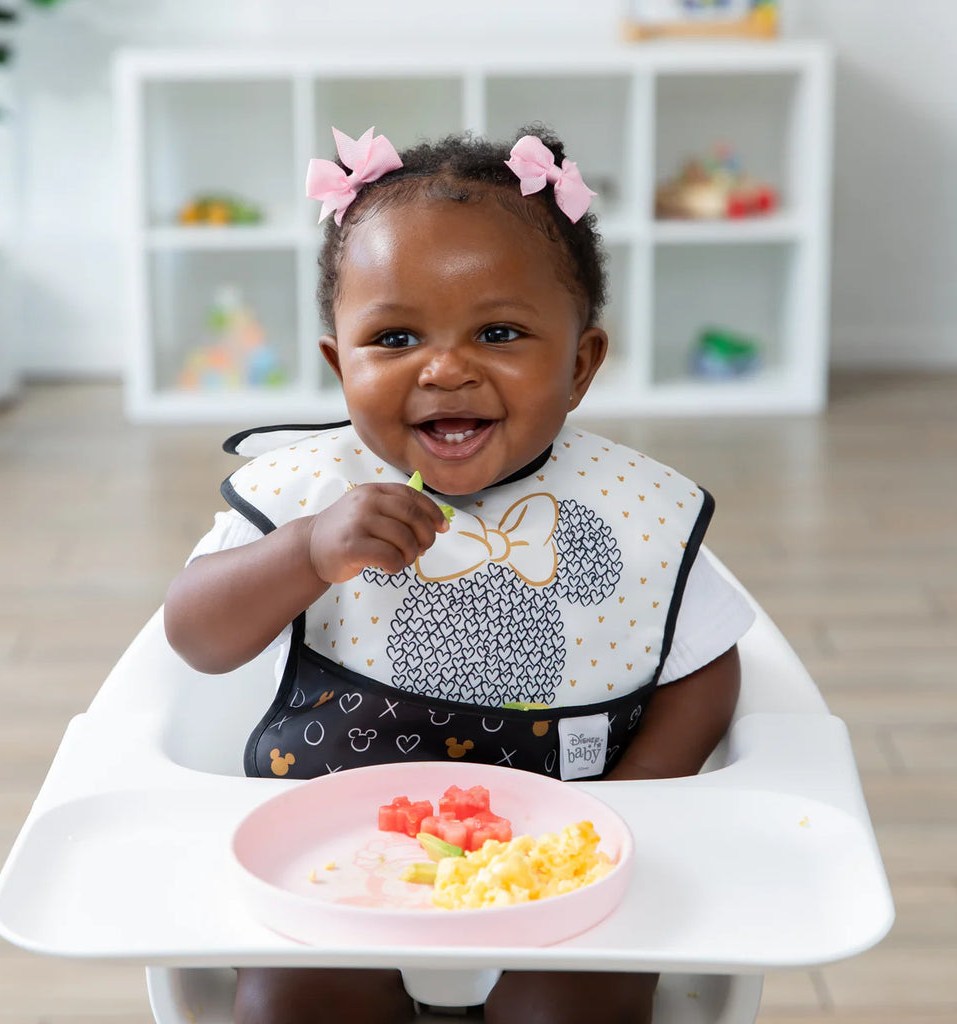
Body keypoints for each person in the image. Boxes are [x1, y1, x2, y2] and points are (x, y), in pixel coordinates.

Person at [164, 124, 755, 1024]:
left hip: (562, 859)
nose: (445, 369)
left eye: (500, 332)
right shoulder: (312, 492)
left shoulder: (631, 507)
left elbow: (706, 665)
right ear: (340, 364)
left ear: (580, 364)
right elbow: (194, 636)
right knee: (291, 1005)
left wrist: (638, 808)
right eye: (395, 336)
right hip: (333, 852)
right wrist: (308, 552)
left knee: (571, 1008)